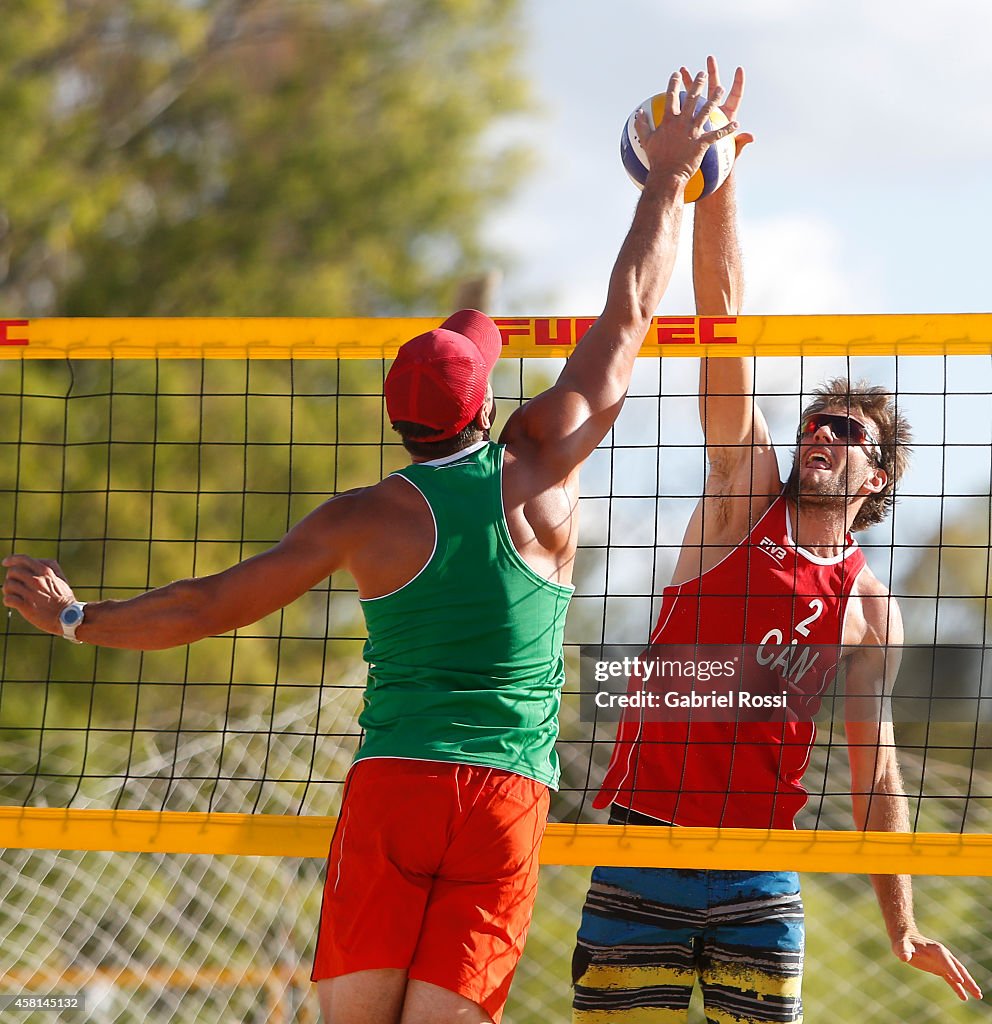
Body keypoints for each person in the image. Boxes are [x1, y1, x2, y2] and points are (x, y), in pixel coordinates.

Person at [2, 68, 740, 1024]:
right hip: (506, 796)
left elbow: (204, 607)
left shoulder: (360, 519)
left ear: (400, 425)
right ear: (486, 401)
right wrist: (668, 182)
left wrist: (71, 616)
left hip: (395, 783)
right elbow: (632, 311)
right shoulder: (540, 469)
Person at [572, 57, 982, 1024]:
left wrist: (905, 927)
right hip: (648, 848)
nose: (823, 434)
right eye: (818, 421)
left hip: (764, 879)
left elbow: (876, 771)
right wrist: (718, 185)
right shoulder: (741, 494)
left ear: (876, 480)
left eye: (850, 433)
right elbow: (723, 328)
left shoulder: (869, 603)